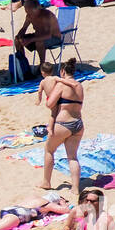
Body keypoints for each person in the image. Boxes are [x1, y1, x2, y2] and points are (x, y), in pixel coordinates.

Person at [40, 59, 84, 190]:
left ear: (63, 71)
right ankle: (75, 188)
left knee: (49, 150)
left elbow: (50, 104)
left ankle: (46, 182)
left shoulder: (61, 85)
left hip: (63, 124)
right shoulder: (79, 86)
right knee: (72, 157)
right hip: (78, 124)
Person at [14, 0, 61, 64]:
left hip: (54, 38)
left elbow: (48, 35)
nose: (28, 13)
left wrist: (30, 39)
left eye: (30, 11)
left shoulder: (46, 15)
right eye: (26, 11)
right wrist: (19, 36)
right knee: (17, 40)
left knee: (39, 42)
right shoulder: (29, 15)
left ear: (37, 9)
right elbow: (24, 28)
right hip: (38, 36)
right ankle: (23, 63)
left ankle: (42, 64)